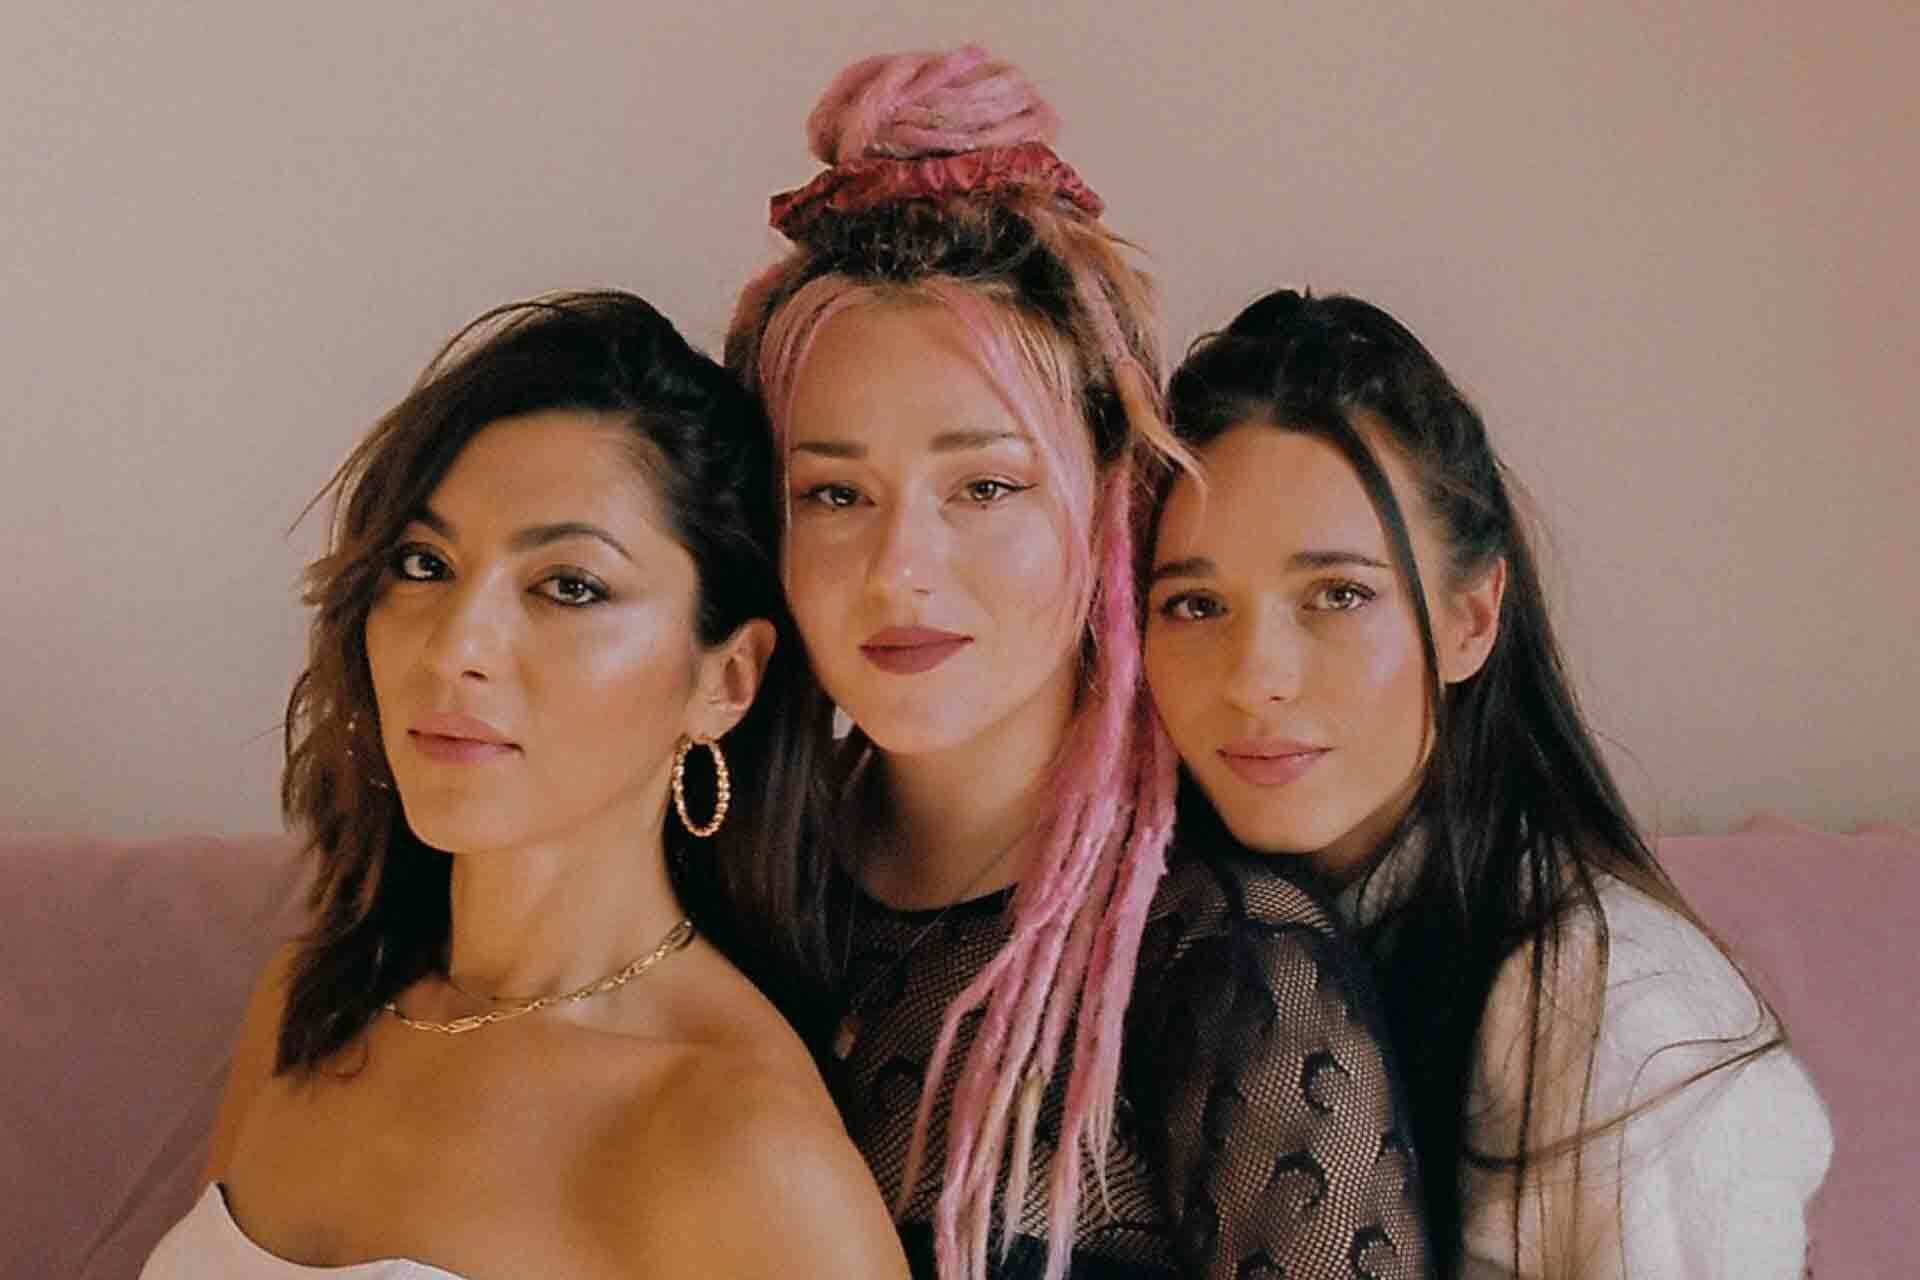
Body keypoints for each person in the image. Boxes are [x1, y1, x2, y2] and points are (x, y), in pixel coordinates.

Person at [727, 48, 1429, 1280]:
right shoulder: (718, 892)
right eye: (834, 492)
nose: (902, 567)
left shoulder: (1230, 973)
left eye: (986, 486)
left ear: (1114, 495)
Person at [143, 291, 907, 1279]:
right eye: (423, 563)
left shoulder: (742, 1147)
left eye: (569, 585)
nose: (453, 647)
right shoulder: (310, 1006)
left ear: (724, 680)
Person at [1143, 287, 1833, 1278]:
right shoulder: (1194, 934)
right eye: (1196, 604)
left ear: (1470, 619)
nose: (1256, 678)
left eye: (1338, 594)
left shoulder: (1626, 1022)